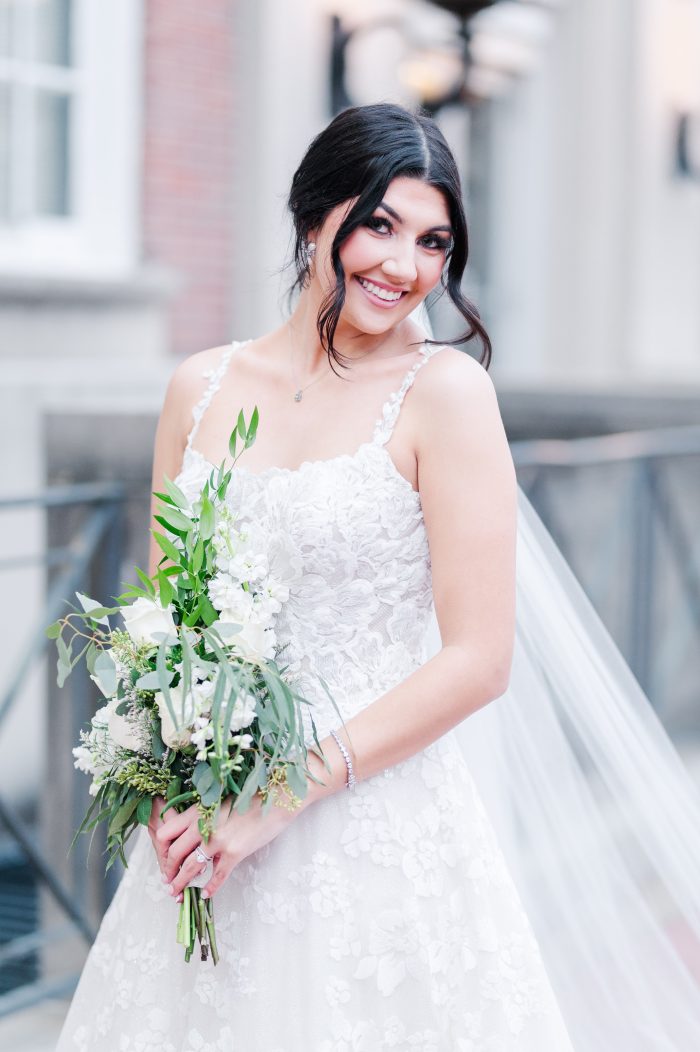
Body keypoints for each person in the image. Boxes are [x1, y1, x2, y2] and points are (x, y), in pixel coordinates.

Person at [57, 104, 700, 1051]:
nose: (405, 266)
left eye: (433, 241)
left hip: (374, 830)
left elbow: (481, 658)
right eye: (380, 224)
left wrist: (279, 797)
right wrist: (169, 786)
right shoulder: (198, 387)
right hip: (207, 837)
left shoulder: (444, 396)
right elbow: (163, 619)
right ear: (316, 216)